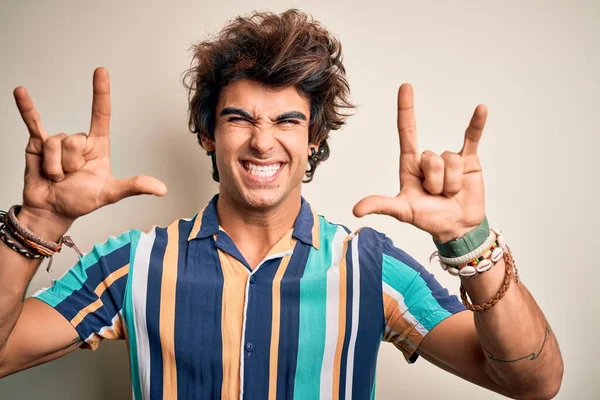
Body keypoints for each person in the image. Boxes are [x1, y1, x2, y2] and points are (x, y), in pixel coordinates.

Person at [0, 9, 563, 400]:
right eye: (238, 118)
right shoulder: (135, 265)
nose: (263, 142)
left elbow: (533, 382)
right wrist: (39, 223)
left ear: (313, 139)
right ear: (207, 134)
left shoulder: (371, 268)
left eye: (287, 121)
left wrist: (471, 242)